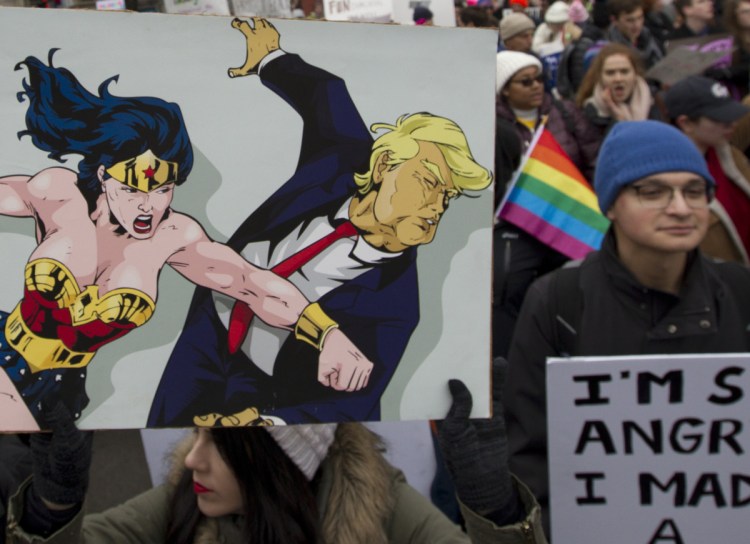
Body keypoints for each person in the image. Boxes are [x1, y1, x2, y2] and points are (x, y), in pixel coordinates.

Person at [0, 49, 373, 430]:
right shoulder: (58, 195)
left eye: (163, 189)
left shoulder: (174, 236)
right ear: (104, 175)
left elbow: (252, 284)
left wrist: (327, 334)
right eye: (134, 189)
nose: (149, 206)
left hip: (57, 389)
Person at [147, 18, 493, 427]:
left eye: (447, 196)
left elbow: (353, 402)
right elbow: (326, 93)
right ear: (383, 165)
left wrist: (267, 423)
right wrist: (270, 59)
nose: (437, 205)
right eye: (428, 183)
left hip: (263, 390)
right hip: (210, 329)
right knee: (166, 440)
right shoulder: (342, 158)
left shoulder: (395, 303)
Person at [505, 120, 750, 537]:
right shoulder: (557, 302)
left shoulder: (741, 293)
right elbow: (529, 455)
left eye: (694, 191)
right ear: (611, 205)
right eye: (652, 192)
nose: (680, 207)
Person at [4, 365, 548, 543]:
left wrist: (494, 508)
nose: (192, 460)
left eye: (220, 444)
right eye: (196, 437)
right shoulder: (179, 506)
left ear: (281, 459)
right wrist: (50, 508)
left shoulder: (381, 506)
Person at [665, 75, 750, 264]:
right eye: (720, 119)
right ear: (685, 123)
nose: (732, 124)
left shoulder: (731, 155)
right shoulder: (669, 180)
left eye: (731, 116)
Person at [575, 42, 661, 138]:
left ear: (635, 74)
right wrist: (617, 119)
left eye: (624, 72)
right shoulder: (588, 113)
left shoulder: (653, 102)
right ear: (600, 77)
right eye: (610, 73)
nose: (618, 78)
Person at [607, 0, 665, 69]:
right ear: (614, 20)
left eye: (640, 18)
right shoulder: (609, 50)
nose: (637, 25)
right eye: (630, 20)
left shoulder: (652, 39)